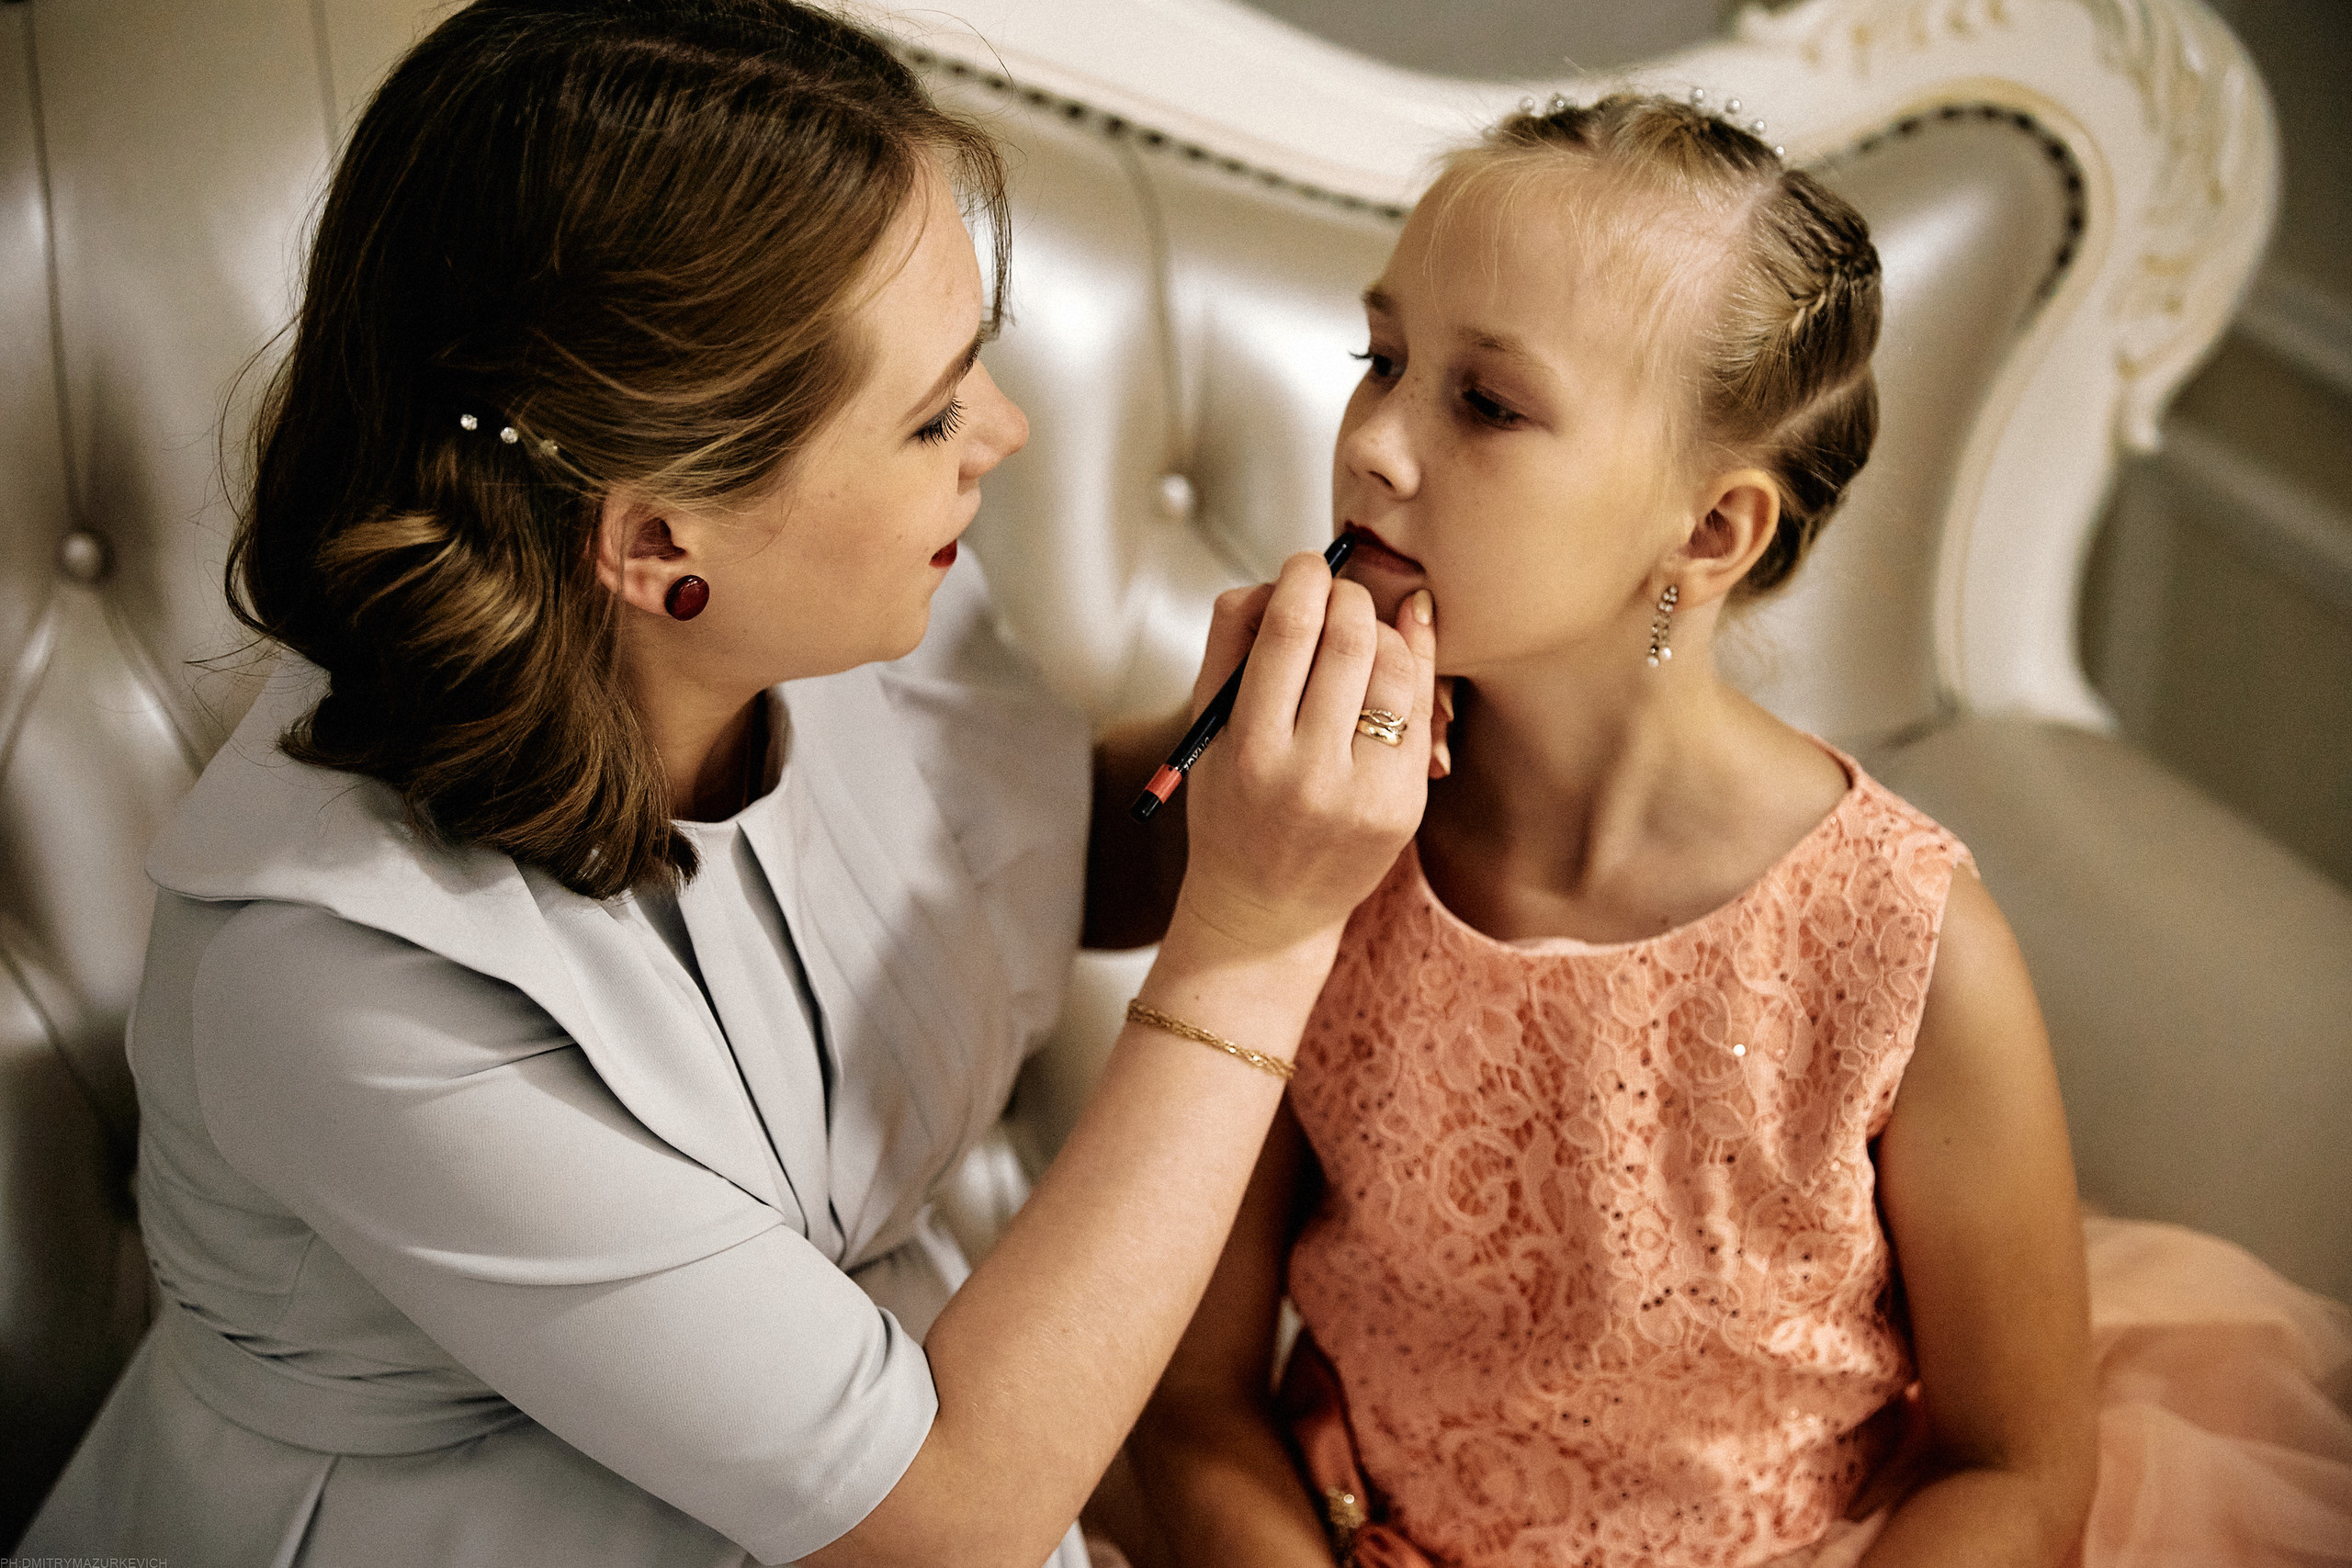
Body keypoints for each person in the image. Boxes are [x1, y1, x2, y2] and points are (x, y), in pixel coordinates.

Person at [20, 4, 1440, 1565]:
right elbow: (942, 1524)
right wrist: (1257, 935)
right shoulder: (345, 988)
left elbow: (1036, 857)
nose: (1006, 433)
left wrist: (1265, 759)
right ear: (654, 544)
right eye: (930, 414)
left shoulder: (850, 610)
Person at [1123, 95, 2352, 1567]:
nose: (1374, 444)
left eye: (1486, 403)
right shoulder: (1309, 836)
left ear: (1710, 535)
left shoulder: (1904, 942)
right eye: (1378, 359)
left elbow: (2011, 1469)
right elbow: (1193, 1400)